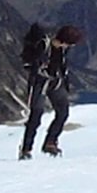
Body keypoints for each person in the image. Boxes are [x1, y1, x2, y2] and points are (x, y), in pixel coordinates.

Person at [19, 24, 83, 159]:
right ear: (64, 42)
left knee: (63, 112)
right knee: (36, 116)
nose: (69, 47)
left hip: (53, 80)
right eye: (69, 44)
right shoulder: (43, 46)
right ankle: (26, 149)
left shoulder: (58, 48)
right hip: (40, 82)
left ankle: (50, 142)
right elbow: (32, 65)